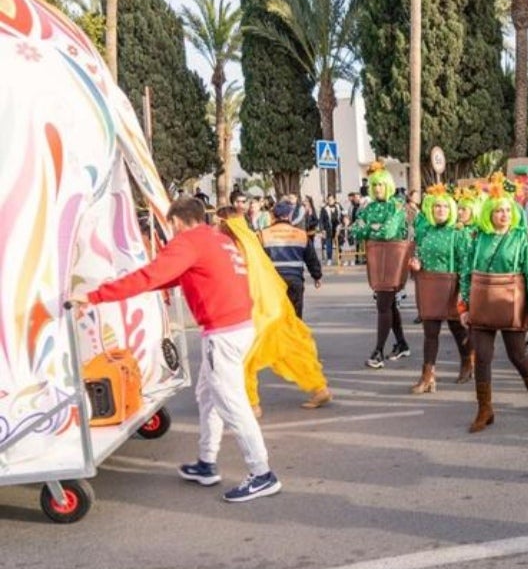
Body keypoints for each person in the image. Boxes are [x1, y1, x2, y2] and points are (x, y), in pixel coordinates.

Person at [71, 197, 281, 503]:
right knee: (208, 396)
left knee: (230, 402)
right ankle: (207, 463)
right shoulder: (216, 238)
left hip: (222, 332)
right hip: (237, 326)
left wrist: (94, 296)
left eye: (170, 226)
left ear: (177, 222)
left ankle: (262, 473)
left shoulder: (188, 242)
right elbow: (173, 277)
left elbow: (150, 275)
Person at [217, 207, 332, 414]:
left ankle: (252, 404)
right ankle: (319, 388)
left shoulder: (239, 243)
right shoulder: (252, 239)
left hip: (257, 311)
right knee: (291, 349)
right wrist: (316, 275)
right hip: (277, 304)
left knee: (245, 358)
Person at [460, 174, 528, 432]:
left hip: (512, 302)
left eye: (508, 210)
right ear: (489, 213)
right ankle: (484, 409)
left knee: (517, 355)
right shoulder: (479, 236)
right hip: (482, 303)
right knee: (482, 356)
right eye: (498, 211)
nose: (504, 215)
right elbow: (466, 272)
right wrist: (463, 305)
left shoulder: (521, 237)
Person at [407, 185, 473, 393]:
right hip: (430, 286)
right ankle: (428, 376)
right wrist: (417, 264)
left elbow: (465, 265)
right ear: (430, 209)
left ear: (451, 209)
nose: (441, 210)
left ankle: (467, 361)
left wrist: (464, 292)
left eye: (445, 206)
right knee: (430, 332)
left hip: (451, 286)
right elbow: (419, 256)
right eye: (436, 206)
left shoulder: (458, 233)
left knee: (457, 328)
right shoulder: (426, 232)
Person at [351, 163, 410, 368]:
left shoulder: (397, 206)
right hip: (377, 260)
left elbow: (388, 232)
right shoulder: (369, 208)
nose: (377, 189)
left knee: (383, 304)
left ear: (389, 186)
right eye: (374, 185)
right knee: (390, 303)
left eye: (381, 185)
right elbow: (355, 231)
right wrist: (371, 228)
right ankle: (402, 343)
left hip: (393, 260)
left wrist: (369, 229)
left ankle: (378, 352)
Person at [260, 200, 323, 320]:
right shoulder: (301, 234)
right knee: (295, 317)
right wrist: (317, 276)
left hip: (272, 281)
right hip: (295, 280)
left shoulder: (264, 234)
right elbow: (311, 258)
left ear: (273, 216)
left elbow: (257, 259)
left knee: (275, 317)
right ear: (289, 215)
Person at [319, 195, 344, 264]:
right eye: (329, 199)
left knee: (338, 244)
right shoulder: (324, 208)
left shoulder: (339, 207)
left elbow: (343, 215)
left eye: (331, 199)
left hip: (337, 228)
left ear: (334, 199)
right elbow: (321, 220)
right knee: (328, 244)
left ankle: (339, 258)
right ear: (327, 200)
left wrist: (342, 224)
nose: (330, 201)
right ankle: (329, 259)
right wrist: (322, 229)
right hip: (328, 228)